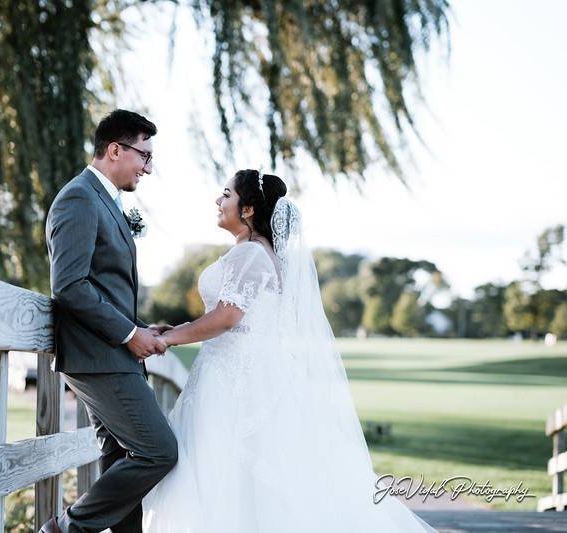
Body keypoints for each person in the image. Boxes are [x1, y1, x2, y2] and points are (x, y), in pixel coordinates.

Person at [141, 169, 438, 532]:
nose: (218, 202)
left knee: (223, 470)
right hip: (239, 372)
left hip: (233, 382)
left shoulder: (249, 254)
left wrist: (168, 340)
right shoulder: (259, 254)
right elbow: (236, 317)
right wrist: (178, 329)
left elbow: (228, 316)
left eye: (226, 195)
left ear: (248, 209)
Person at [42, 109, 178, 533]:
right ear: (115, 150)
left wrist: (140, 326)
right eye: (144, 155)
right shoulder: (79, 198)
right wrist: (128, 332)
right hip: (97, 357)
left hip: (112, 354)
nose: (149, 168)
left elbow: (105, 284)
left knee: (122, 458)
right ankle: (66, 528)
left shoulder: (106, 201)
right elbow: (70, 285)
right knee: (159, 451)